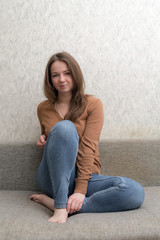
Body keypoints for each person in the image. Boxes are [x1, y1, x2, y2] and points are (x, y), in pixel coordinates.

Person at [30, 52, 145, 223]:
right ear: (50, 79)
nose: (62, 79)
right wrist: (45, 141)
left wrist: (80, 191)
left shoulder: (93, 104)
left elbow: (88, 147)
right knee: (64, 128)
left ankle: (57, 204)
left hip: (85, 176)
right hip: (52, 179)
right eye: (55, 75)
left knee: (135, 191)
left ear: (75, 74)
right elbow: (51, 138)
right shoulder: (43, 108)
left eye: (67, 73)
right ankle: (61, 209)